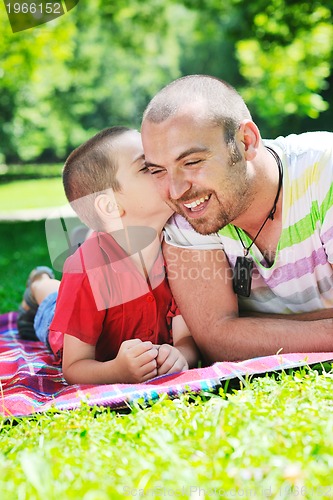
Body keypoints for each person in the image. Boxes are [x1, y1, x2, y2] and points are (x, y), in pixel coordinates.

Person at [141, 74, 333, 363]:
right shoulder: (187, 210)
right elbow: (217, 341)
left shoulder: (325, 172)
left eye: (192, 162)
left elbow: (223, 333)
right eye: (158, 170)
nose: (176, 190)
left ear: (246, 142)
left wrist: (247, 327)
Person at [17, 127, 199, 384]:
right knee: (51, 306)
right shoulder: (86, 271)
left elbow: (186, 340)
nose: (164, 167)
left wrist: (180, 354)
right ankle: (37, 282)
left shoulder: (182, 247)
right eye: (147, 167)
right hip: (76, 340)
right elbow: (74, 367)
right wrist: (117, 371)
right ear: (110, 205)